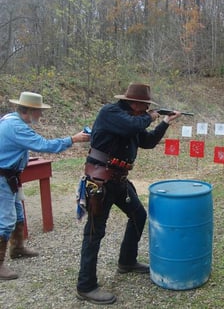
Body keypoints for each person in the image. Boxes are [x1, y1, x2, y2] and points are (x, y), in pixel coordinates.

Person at [76, 83, 181, 305]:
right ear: (135, 104)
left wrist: (164, 121)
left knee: (138, 216)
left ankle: (127, 261)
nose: (145, 111)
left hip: (119, 181)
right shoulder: (112, 113)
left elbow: (148, 142)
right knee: (94, 233)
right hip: (100, 181)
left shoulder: (134, 120)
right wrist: (151, 116)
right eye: (144, 107)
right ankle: (85, 285)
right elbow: (130, 126)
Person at [0, 91, 91, 280]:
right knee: (5, 221)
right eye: (39, 111)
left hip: (9, 176)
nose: (41, 115)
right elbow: (45, 145)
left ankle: (17, 248)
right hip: (3, 177)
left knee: (17, 213)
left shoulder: (12, 120)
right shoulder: (16, 126)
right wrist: (73, 139)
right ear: (30, 110)